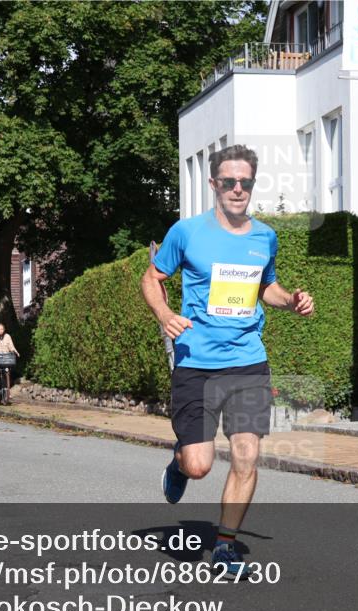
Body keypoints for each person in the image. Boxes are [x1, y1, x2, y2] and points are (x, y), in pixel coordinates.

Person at [141, 144, 314, 575]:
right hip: (196, 362)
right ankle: (180, 461)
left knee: (246, 456)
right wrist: (165, 314)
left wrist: (290, 301)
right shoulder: (187, 232)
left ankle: (225, 544)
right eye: (230, 182)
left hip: (247, 362)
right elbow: (152, 277)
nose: (239, 189)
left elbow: (265, 289)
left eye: (246, 182)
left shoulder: (265, 237)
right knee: (199, 464)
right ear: (214, 184)